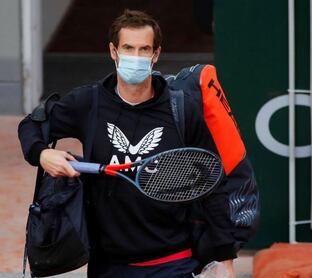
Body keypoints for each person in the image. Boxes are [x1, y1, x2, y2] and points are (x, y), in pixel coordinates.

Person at [18, 9, 258, 278]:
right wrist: (42, 155)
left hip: (174, 261)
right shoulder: (89, 103)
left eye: (144, 49)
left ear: (155, 55)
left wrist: (225, 259)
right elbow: (31, 125)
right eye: (128, 48)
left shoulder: (182, 110)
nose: (136, 56)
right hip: (107, 264)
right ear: (114, 51)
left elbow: (212, 186)